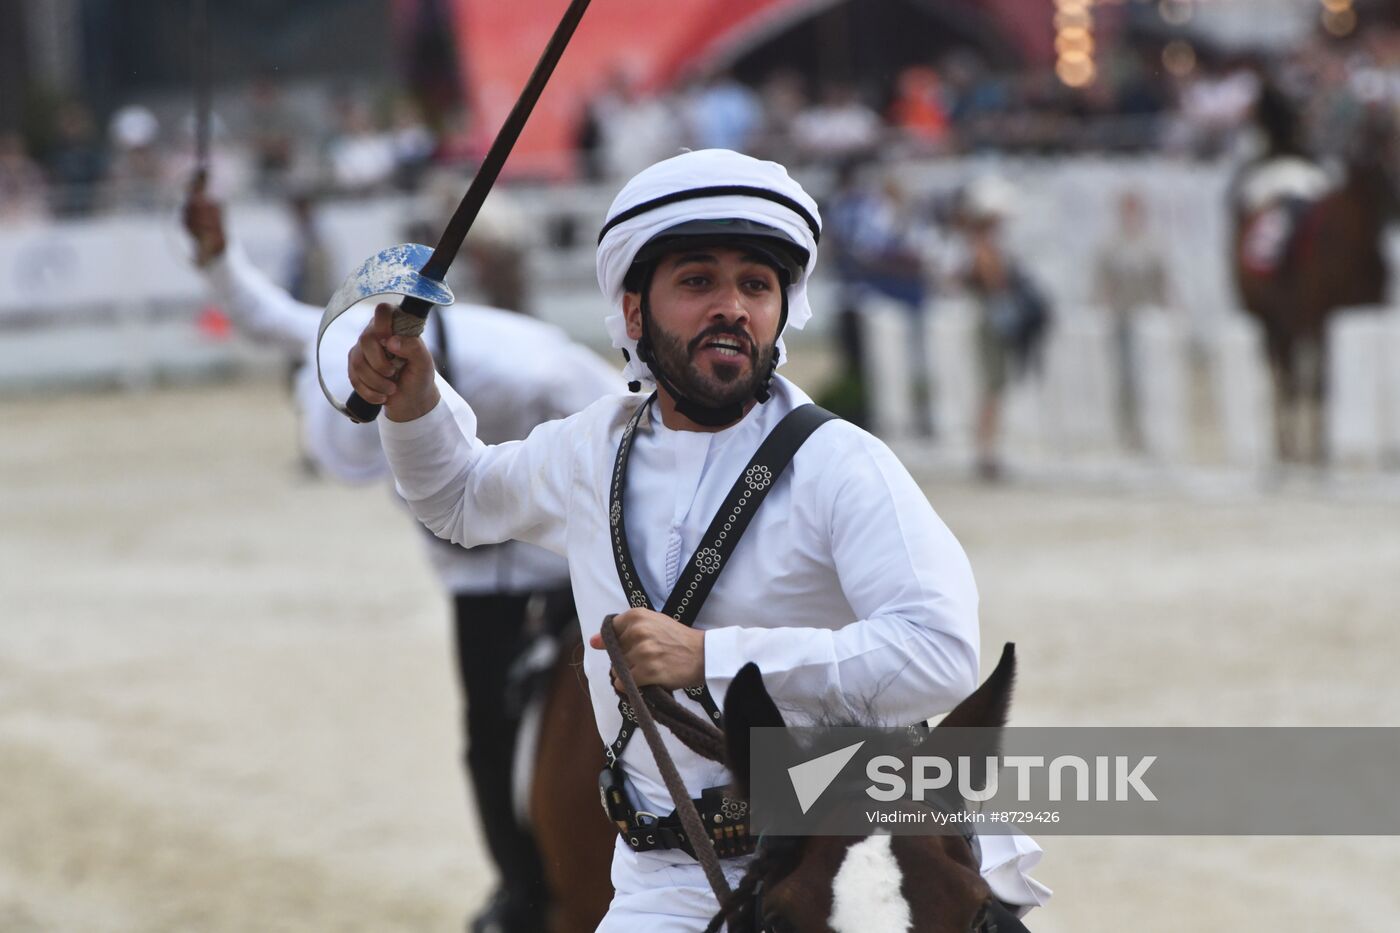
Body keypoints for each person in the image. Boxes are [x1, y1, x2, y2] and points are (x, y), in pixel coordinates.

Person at [348, 149, 1048, 929]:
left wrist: (711, 656)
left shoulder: (843, 465)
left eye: (756, 284)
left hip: (850, 864)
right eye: (697, 282)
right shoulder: (588, 448)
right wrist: (413, 405)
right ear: (636, 311)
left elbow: (940, 655)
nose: (733, 307)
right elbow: (457, 497)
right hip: (659, 878)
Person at [183, 188, 624, 932]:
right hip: (484, 581)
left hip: (583, 562)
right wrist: (216, 255)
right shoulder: (355, 338)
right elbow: (265, 317)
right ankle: (525, 886)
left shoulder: (533, 368)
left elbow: (632, 428)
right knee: (489, 735)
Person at [958, 175, 1049, 481]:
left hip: (991, 318)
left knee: (994, 389)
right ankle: (986, 453)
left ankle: (987, 451)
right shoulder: (983, 248)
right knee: (993, 388)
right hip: (993, 320)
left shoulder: (983, 247)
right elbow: (994, 284)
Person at [1093, 191, 1169, 452]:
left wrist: (1168, 310)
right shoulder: (1111, 245)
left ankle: (1151, 429)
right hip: (1122, 319)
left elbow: (1163, 282)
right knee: (1126, 377)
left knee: (1149, 378)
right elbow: (1101, 283)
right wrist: (1102, 308)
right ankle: (1129, 431)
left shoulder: (1153, 244)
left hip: (1149, 321)